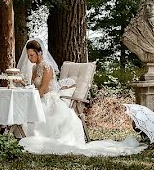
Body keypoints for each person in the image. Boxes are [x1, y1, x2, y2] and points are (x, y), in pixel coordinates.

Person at [17, 38, 146, 157]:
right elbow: (33, 87)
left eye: (31, 55)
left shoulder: (47, 67)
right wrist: (24, 86)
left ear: (39, 53)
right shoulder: (34, 68)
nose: (29, 58)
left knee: (37, 113)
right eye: (28, 55)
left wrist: (31, 98)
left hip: (48, 99)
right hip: (38, 97)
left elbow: (43, 90)